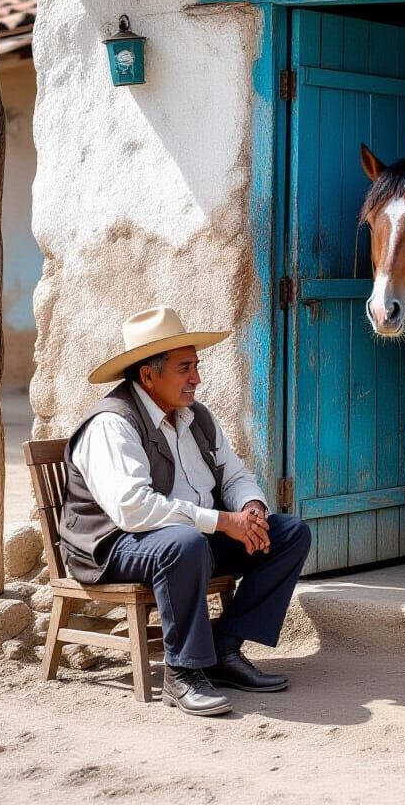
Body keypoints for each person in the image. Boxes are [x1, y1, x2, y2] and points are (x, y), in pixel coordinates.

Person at [60, 306, 311, 717]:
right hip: (113, 546)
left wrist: (249, 508)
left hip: (188, 538)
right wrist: (222, 522)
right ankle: (182, 674)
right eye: (184, 368)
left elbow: (233, 474)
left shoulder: (197, 417)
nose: (196, 377)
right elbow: (132, 510)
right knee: (184, 542)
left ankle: (223, 650)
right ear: (148, 375)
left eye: (195, 365)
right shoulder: (112, 423)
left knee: (288, 533)